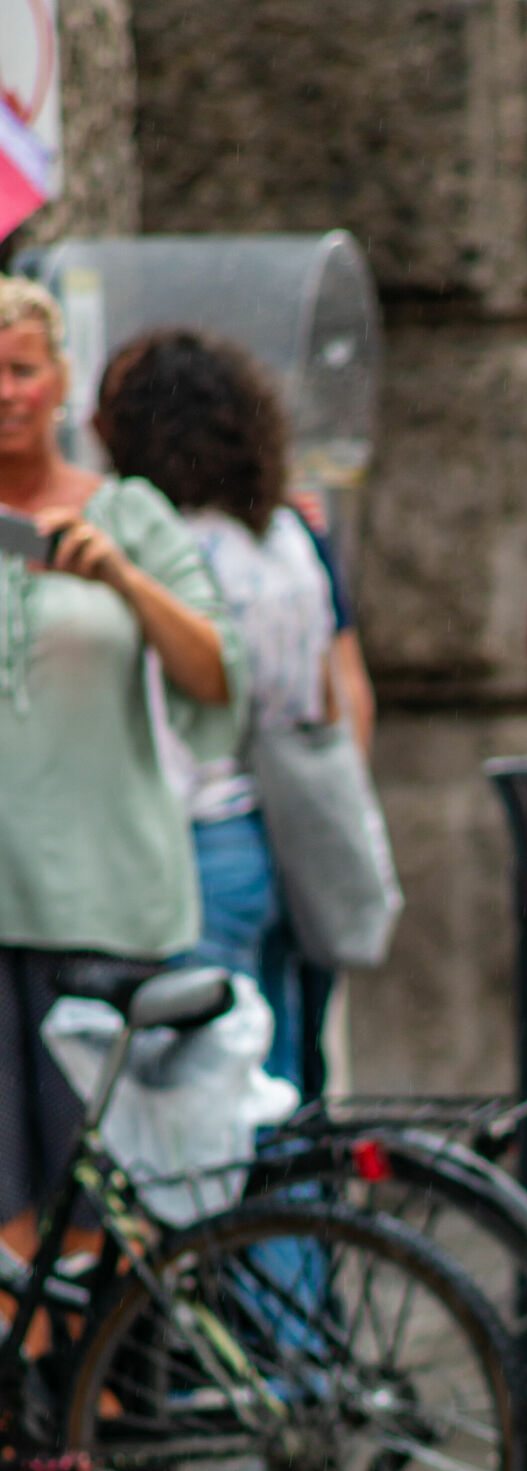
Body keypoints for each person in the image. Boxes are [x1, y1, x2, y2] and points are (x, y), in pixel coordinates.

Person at [0, 277, 239, 1256]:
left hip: (101, 901)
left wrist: (120, 576)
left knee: (93, 1199)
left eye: (20, 368)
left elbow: (221, 677)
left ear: (60, 383)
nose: (5, 391)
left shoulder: (129, 513)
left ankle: (75, 1404)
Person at [93, 329, 345, 1083]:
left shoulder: (168, 551)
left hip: (190, 839)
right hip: (273, 838)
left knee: (208, 1110)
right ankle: (301, 1209)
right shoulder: (284, 538)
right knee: (274, 1091)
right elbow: (324, 693)